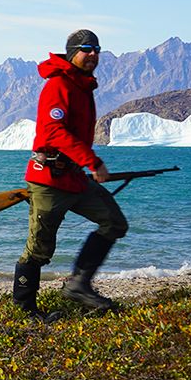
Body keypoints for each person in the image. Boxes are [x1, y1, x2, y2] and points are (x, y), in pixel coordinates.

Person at [13, 29, 128, 319]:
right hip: (49, 180)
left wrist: (86, 165)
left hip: (74, 178)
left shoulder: (82, 85)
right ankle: (26, 311)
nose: (93, 54)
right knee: (38, 250)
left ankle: (78, 284)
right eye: (86, 48)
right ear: (71, 52)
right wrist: (93, 162)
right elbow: (53, 131)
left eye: (97, 49)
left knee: (113, 222)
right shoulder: (59, 85)